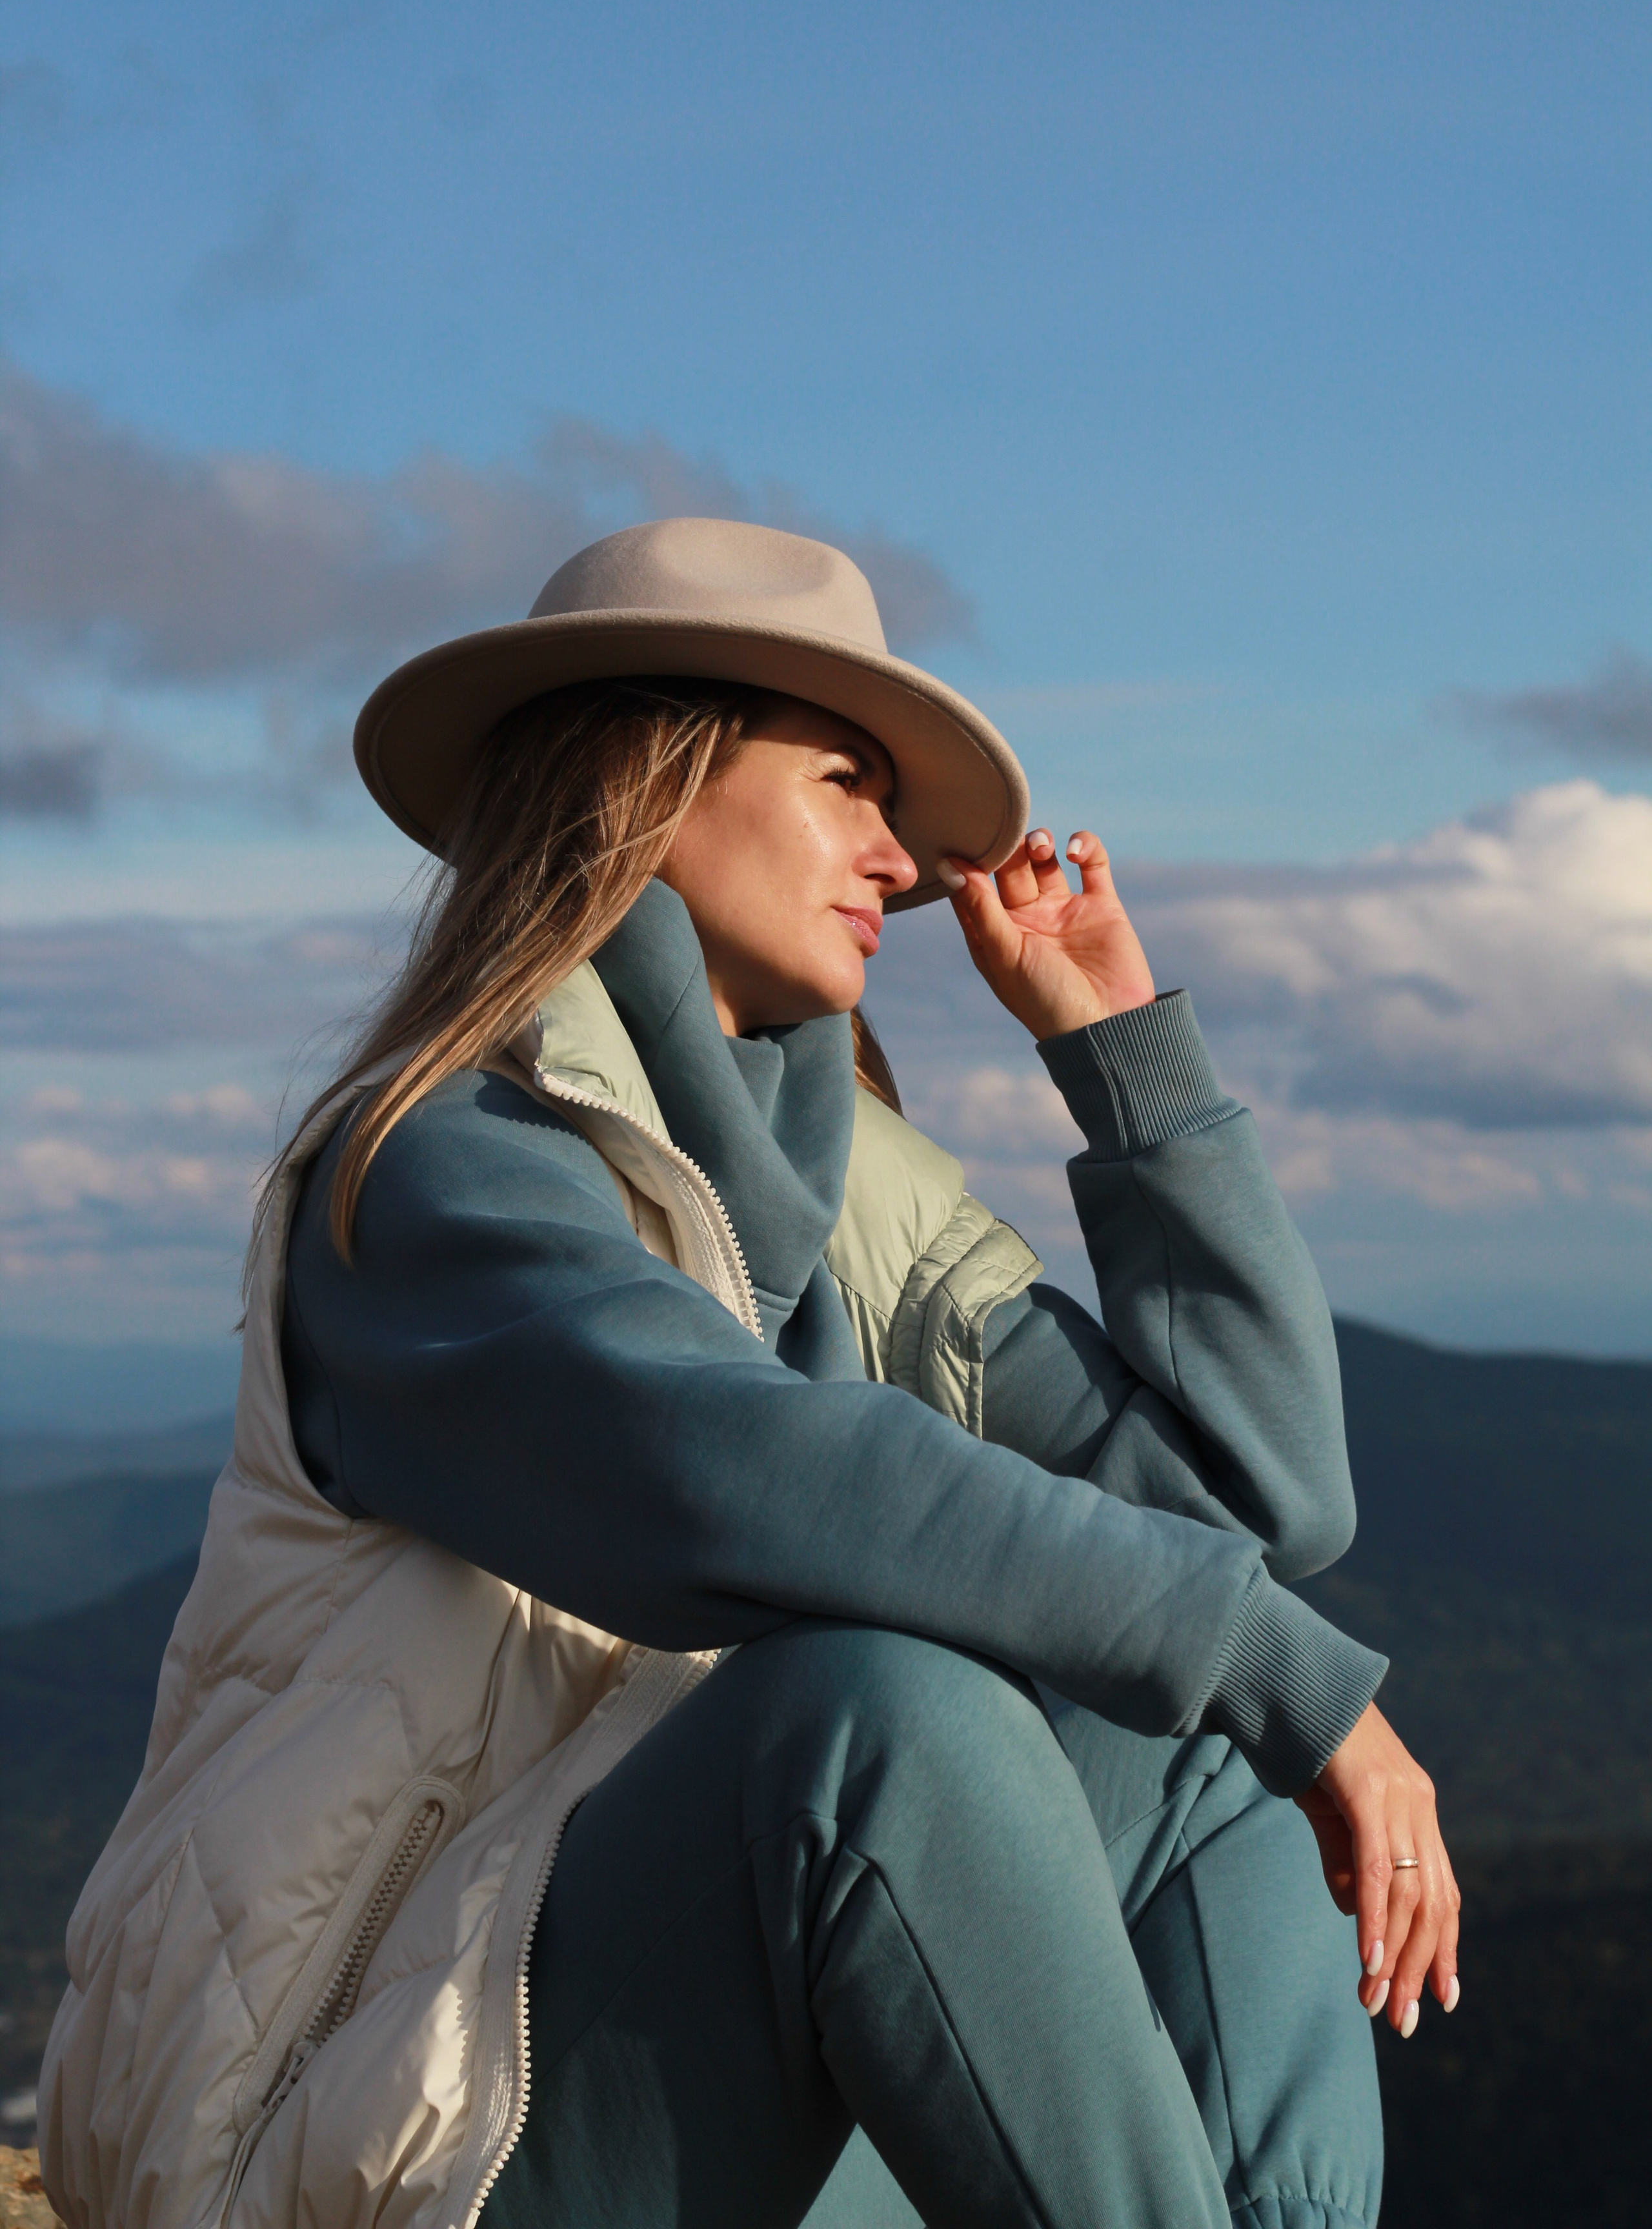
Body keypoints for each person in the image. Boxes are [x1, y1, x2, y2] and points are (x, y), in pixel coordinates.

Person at [40, 519, 1458, 2229]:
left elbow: (1249, 1512)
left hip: (629, 2044)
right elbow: (724, 1468)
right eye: (848, 783)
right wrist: (1257, 1656)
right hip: (364, 2133)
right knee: (888, 1722)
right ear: (647, 778)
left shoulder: (848, 1196)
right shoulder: (434, 1163)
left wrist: (1122, 1057)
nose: (903, 862)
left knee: (1213, 1754)